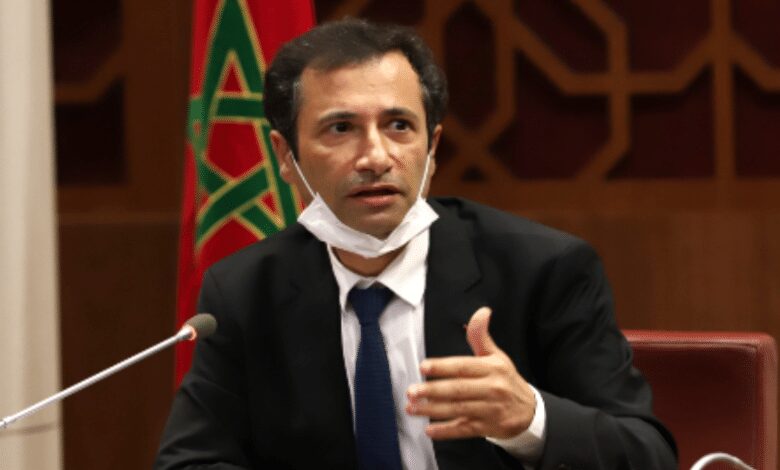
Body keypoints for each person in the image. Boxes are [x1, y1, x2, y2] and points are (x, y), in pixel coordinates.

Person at [155, 18, 677, 470]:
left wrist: (531, 420)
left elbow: (648, 455)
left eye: (399, 126)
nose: (375, 157)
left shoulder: (543, 270)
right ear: (286, 157)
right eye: (341, 128)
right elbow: (191, 461)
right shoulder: (245, 292)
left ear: (433, 146)